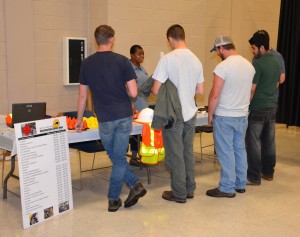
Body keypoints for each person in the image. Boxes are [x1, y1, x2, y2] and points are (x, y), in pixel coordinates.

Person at [75, 25, 147, 212]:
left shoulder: (87, 64)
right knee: (118, 157)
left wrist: (79, 119)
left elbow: (82, 96)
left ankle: (113, 198)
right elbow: (133, 92)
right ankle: (134, 186)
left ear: (96, 40)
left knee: (115, 156)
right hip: (123, 116)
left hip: (104, 118)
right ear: (112, 39)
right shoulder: (123, 61)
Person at [151, 24, 204, 203]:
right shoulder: (196, 60)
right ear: (183, 36)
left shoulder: (167, 59)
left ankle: (179, 193)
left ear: (170, 39)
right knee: (188, 152)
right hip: (191, 112)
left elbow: (156, 89)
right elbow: (201, 90)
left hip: (174, 114)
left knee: (175, 154)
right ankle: (190, 189)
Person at [206, 35, 255, 198]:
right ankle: (240, 184)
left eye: (217, 50)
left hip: (225, 115)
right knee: (239, 149)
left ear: (221, 48)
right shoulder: (249, 66)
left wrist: (210, 113)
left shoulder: (223, 67)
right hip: (242, 115)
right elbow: (250, 92)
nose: (217, 54)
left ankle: (226, 187)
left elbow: (214, 94)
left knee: (225, 151)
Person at [246, 31, 281, 185]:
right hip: (272, 106)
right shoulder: (276, 61)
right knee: (269, 141)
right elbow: (278, 81)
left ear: (261, 47)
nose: (253, 51)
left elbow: (252, 89)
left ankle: (253, 176)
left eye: (253, 48)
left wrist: (245, 105)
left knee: (253, 142)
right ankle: (268, 172)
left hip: (258, 108)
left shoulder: (258, 63)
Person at [251, 30, 286, 109]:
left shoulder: (277, 56)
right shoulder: (256, 56)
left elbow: (281, 79)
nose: (253, 51)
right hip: (263, 102)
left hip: (266, 101)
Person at [129, 45, 149, 160]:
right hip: (134, 105)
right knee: (134, 134)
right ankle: (133, 157)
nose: (141, 56)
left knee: (142, 133)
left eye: (142, 53)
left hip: (143, 105)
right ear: (132, 55)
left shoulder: (142, 69)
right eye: (139, 54)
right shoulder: (129, 69)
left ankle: (142, 155)